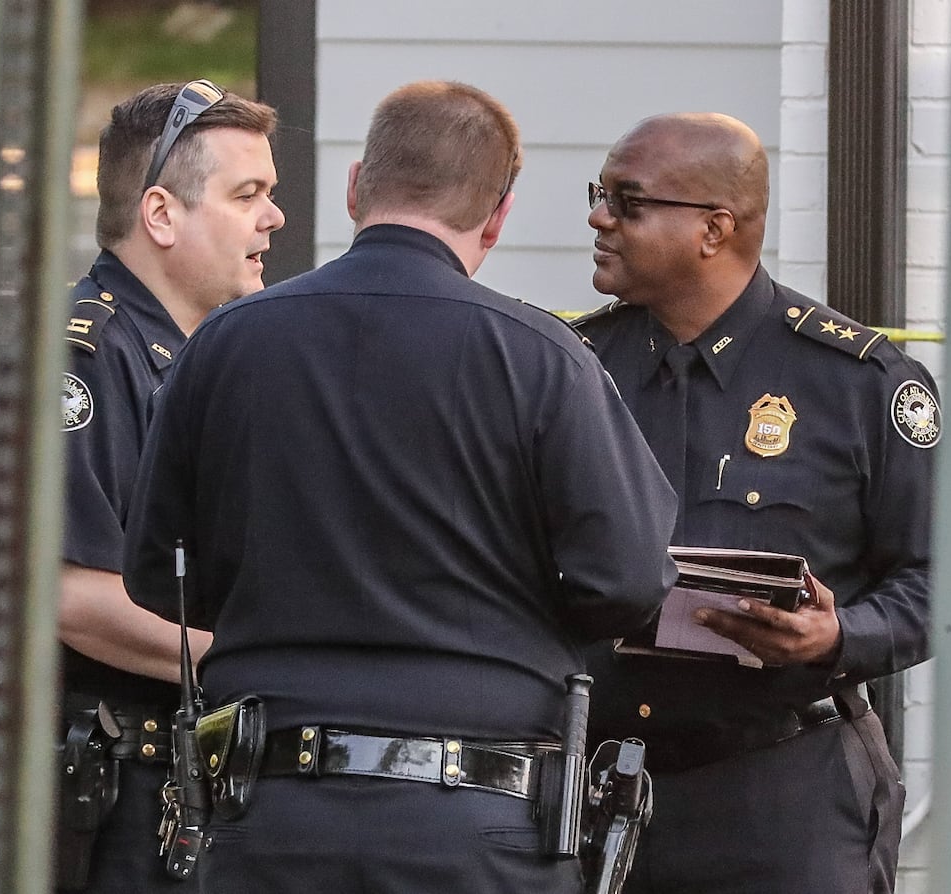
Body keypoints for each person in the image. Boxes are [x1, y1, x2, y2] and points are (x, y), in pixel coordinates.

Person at [122, 80, 677, 893]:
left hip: (272, 810)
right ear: (498, 215)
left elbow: (157, 574)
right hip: (476, 821)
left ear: (355, 189)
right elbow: (629, 581)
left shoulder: (224, 345)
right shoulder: (542, 358)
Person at [573, 113, 939, 893]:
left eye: (627, 200)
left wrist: (839, 634)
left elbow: (944, 579)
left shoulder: (855, 383)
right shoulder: (575, 368)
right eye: (600, 195)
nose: (600, 217)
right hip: (592, 791)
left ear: (715, 228)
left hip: (781, 795)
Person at [56, 80, 285, 891]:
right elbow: (75, 598)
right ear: (161, 215)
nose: (274, 218)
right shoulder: (91, 353)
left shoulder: (215, 353)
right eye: (248, 194)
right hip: (121, 793)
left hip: (203, 779)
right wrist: (274, 668)